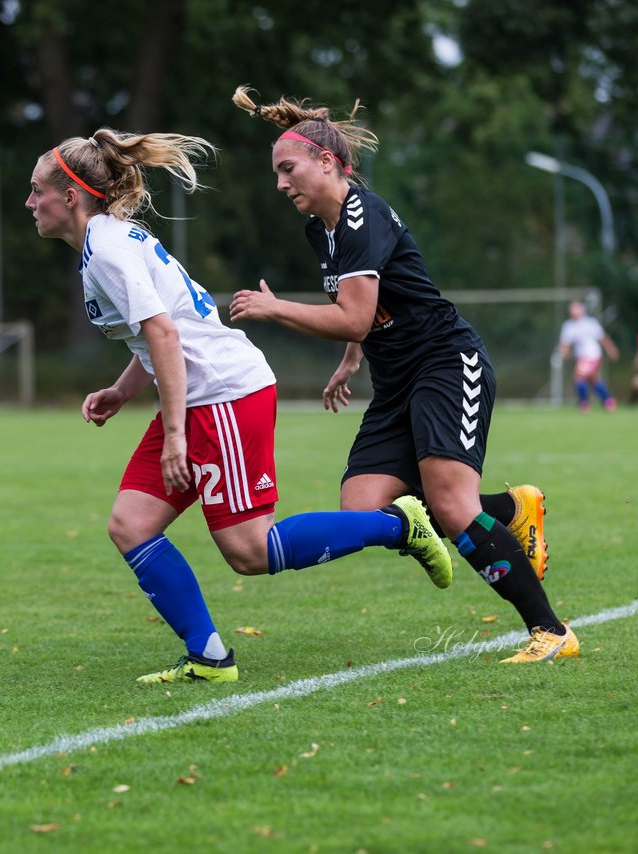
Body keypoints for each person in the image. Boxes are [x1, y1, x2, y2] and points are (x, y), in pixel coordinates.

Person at [26, 128, 459, 683]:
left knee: (251, 552)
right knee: (131, 525)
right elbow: (158, 332)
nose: (30, 202)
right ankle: (209, 658)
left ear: (71, 196)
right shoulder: (107, 240)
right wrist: (123, 390)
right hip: (197, 397)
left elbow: (165, 334)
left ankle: (397, 527)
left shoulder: (107, 248)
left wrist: (177, 435)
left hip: (224, 395)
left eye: (37, 190)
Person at [228, 87, 577, 663]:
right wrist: (350, 357)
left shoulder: (362, 215)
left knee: (450, 503)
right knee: (361, 510)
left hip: (445, 363)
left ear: (326, 162)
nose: (281, 184)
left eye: (287, 170)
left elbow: (355, 314)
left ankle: (551, 631)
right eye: (277, 174)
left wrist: (275, 309)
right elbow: (365, 311)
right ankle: (513, 510)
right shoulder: (323, 228)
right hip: (395, 382)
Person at [558, 300, 619, 412]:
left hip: (593, 355)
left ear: (581, 310)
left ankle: (584, 403)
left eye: (575, 308)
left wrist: (611, 349)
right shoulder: (568, 326)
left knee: (578, 376)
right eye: (571, 309)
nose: (573, 311)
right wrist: (564, 351)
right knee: (593, 381)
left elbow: (603, 338)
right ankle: (608, 401)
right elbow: (564, 343)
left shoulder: (590, 323)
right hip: (581, 358)